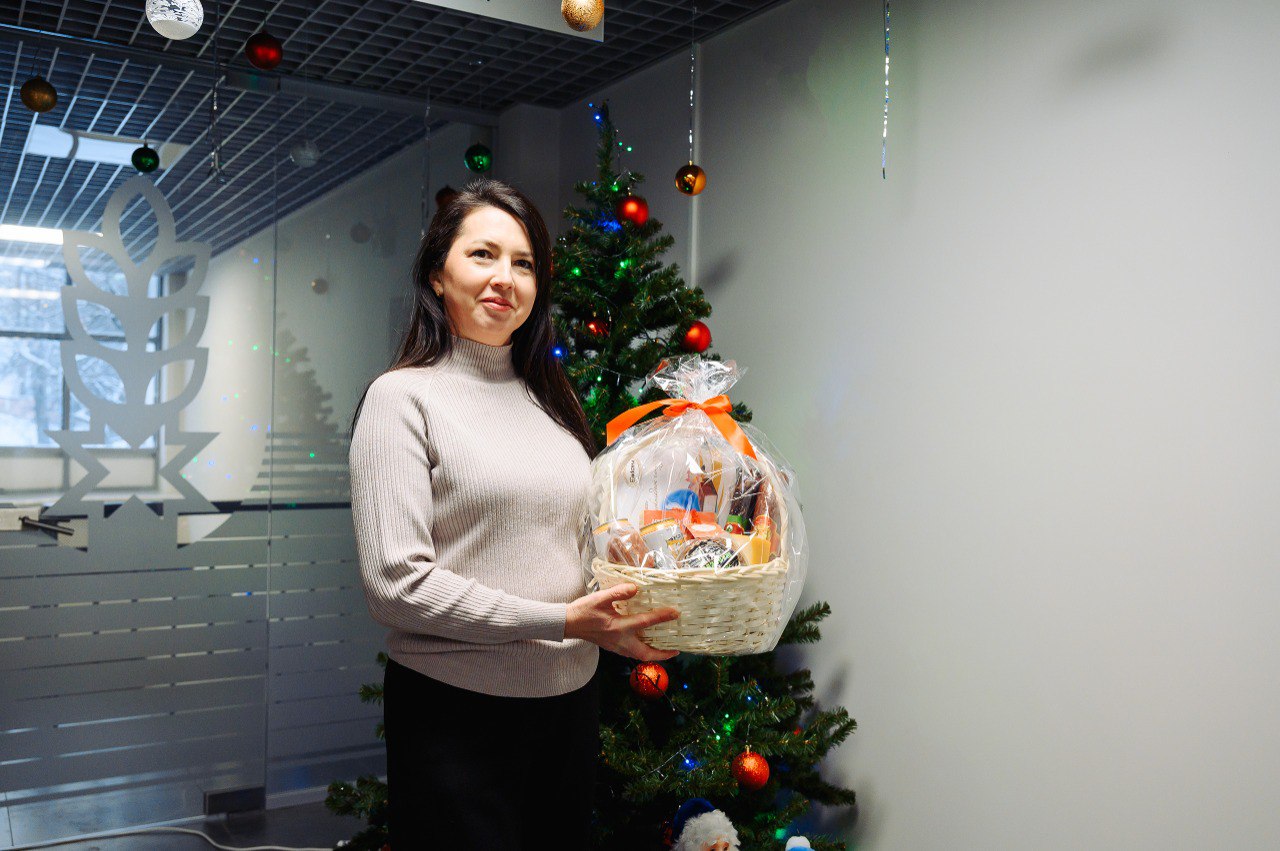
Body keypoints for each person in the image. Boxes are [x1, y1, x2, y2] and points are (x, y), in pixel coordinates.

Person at [348, 178, 679, 849]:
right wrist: (562, 622)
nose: (505, 277)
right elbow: (396, 585)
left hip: (569, 709)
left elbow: (567, 548)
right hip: (455, 717)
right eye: (483, 254)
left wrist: (615, 621)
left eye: (523, 263)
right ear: (437, 274)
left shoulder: (551, 404)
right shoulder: (401, 399)